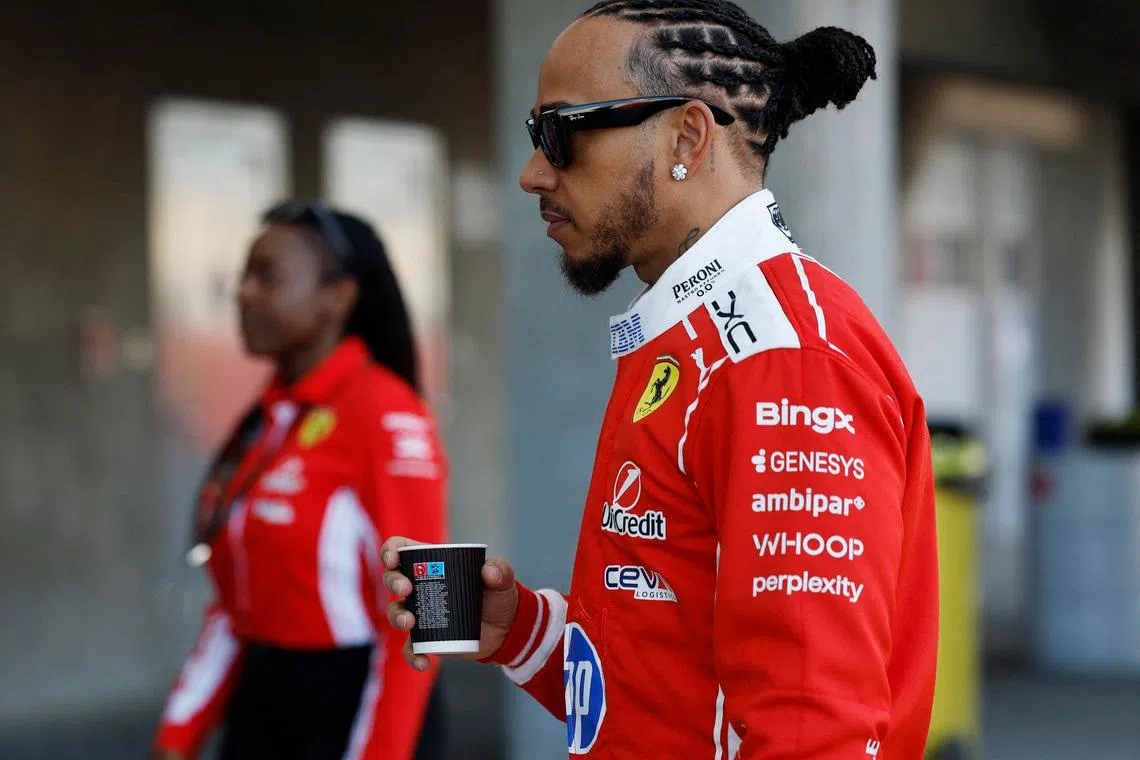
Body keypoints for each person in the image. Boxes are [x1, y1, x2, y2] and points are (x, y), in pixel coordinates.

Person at [384, 1, 939, 757]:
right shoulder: (696, 336)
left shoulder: (783, 358)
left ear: (686, 136)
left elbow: (816, 730)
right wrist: (520, 632)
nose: (532, 172)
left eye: (561, 132)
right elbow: (664, 689)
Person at [153, 200, 447, 760]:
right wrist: (177, 734)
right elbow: (237, 608)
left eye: (268, 277)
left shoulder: (389, 415)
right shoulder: (268, 419)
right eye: (244, 275)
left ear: (338, 297)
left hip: (354, 710)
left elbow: (429, 612)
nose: (242, 292)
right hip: (262, 710)